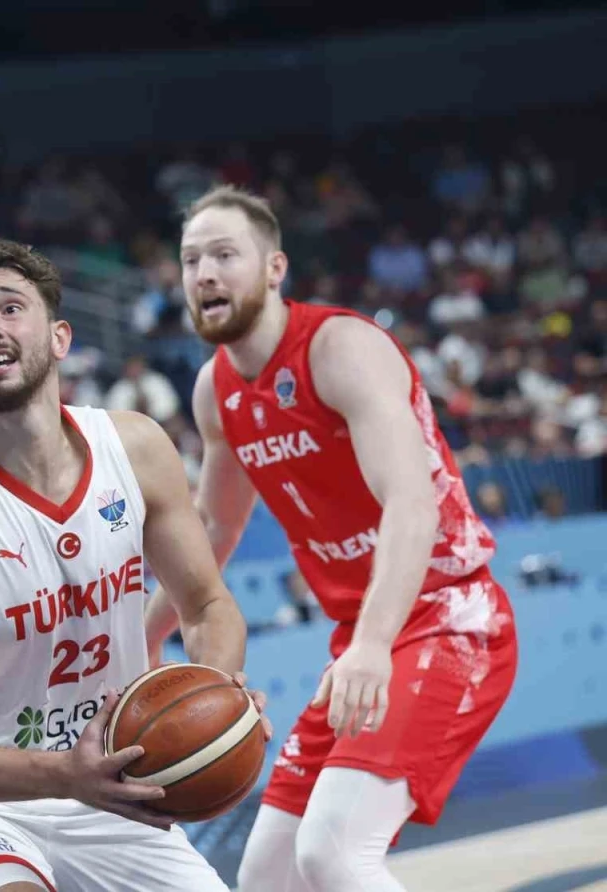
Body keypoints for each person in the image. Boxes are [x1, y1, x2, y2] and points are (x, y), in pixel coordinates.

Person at [0, 238, 267, 892]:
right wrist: (62, 774)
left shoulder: (135, 449)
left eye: (9, 308)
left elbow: (207, 606)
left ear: (60, 338)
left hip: (108, 785)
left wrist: (217, 697)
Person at [149, 185, 518, 892]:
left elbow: (413, 504)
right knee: (267, 878)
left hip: (450, 619)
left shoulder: (341, 348)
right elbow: (214, 528)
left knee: (334, 855)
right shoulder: (214, 391)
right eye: (192, 259)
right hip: (359, 642)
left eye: (224, 255)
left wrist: (374, 643)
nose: (204, 274)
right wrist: (143, 636)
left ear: (274, 268)